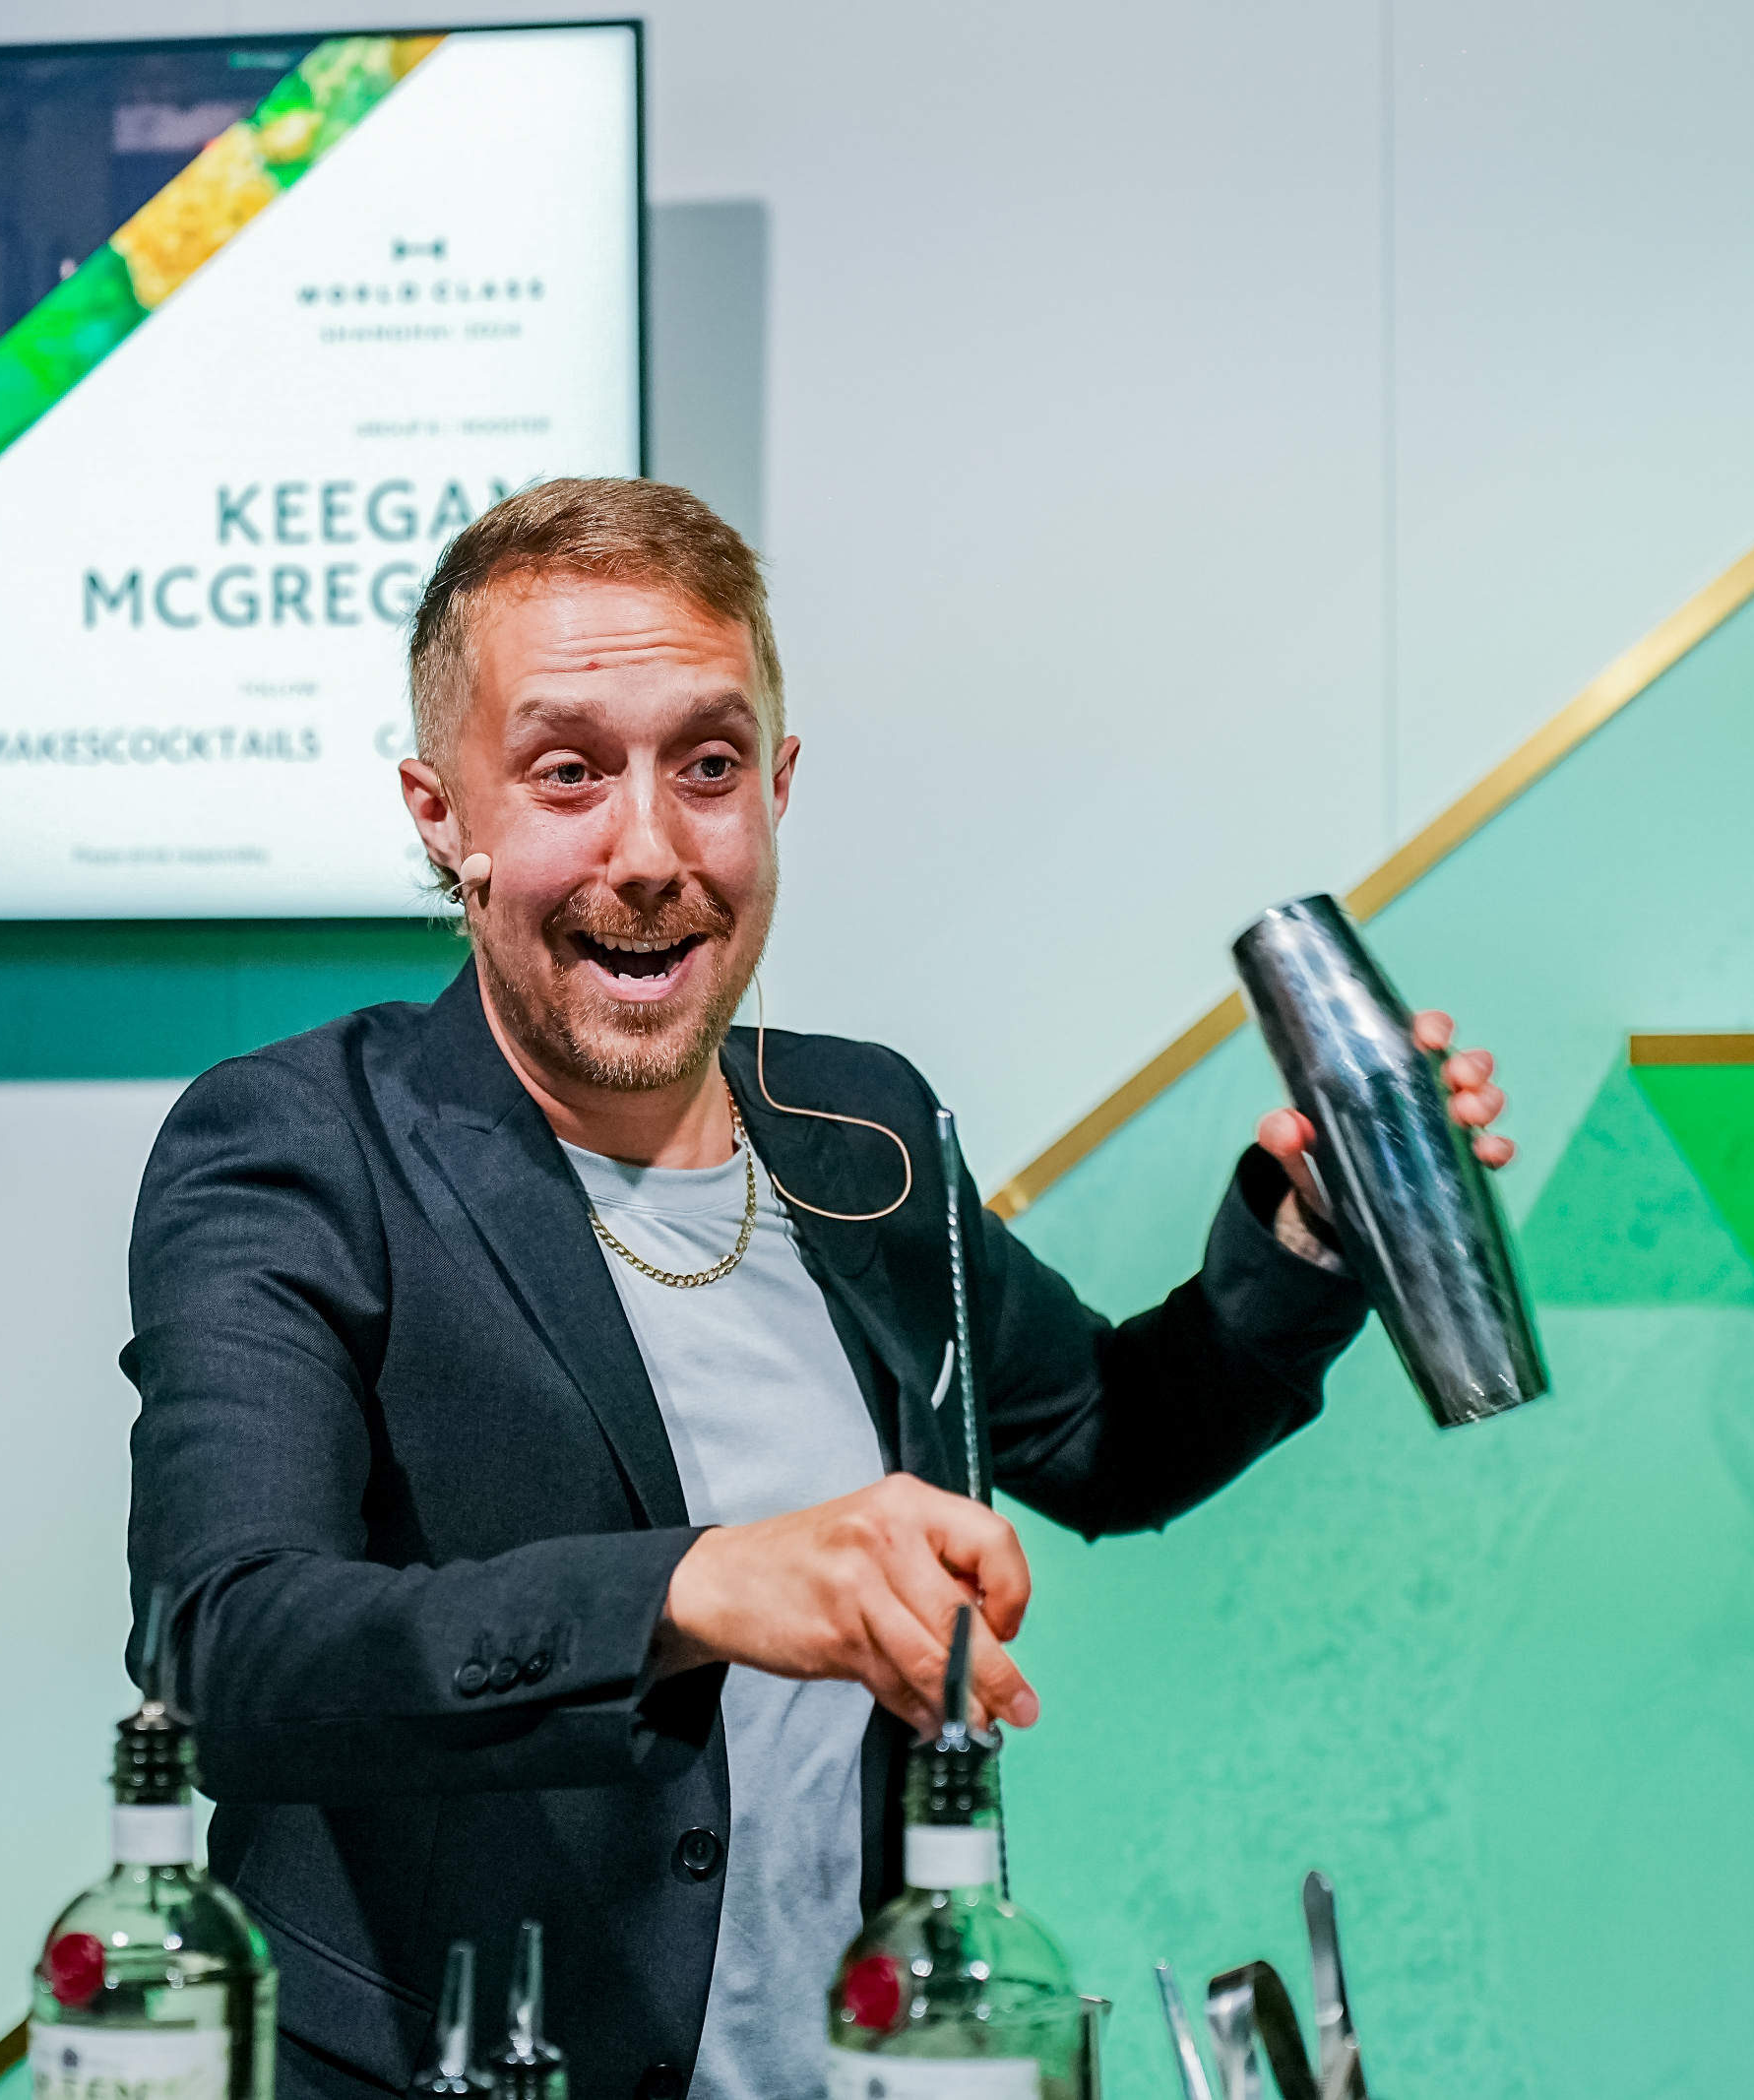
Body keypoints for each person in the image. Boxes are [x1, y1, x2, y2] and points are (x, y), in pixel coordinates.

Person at [122, 480, 1514, 2100]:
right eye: (568, 770)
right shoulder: (300, 1142)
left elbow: (1116, 1438)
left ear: (777, 788)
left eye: (707, 766)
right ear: (447, 814)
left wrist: (1318, 1229)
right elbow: (235, 1651)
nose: (650, 850)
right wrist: (698, 1588)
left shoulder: (869, 1133)